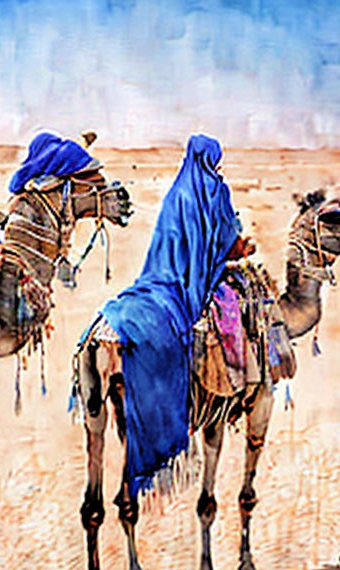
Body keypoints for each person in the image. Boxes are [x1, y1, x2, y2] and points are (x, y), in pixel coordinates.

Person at [101, 134, 254, 495]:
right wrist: (243, 248)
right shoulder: (216, 191)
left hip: (159, 279)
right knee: (233, 313)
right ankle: (233, 397)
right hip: (198, 283)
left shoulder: (175, 193)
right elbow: (227, 242)